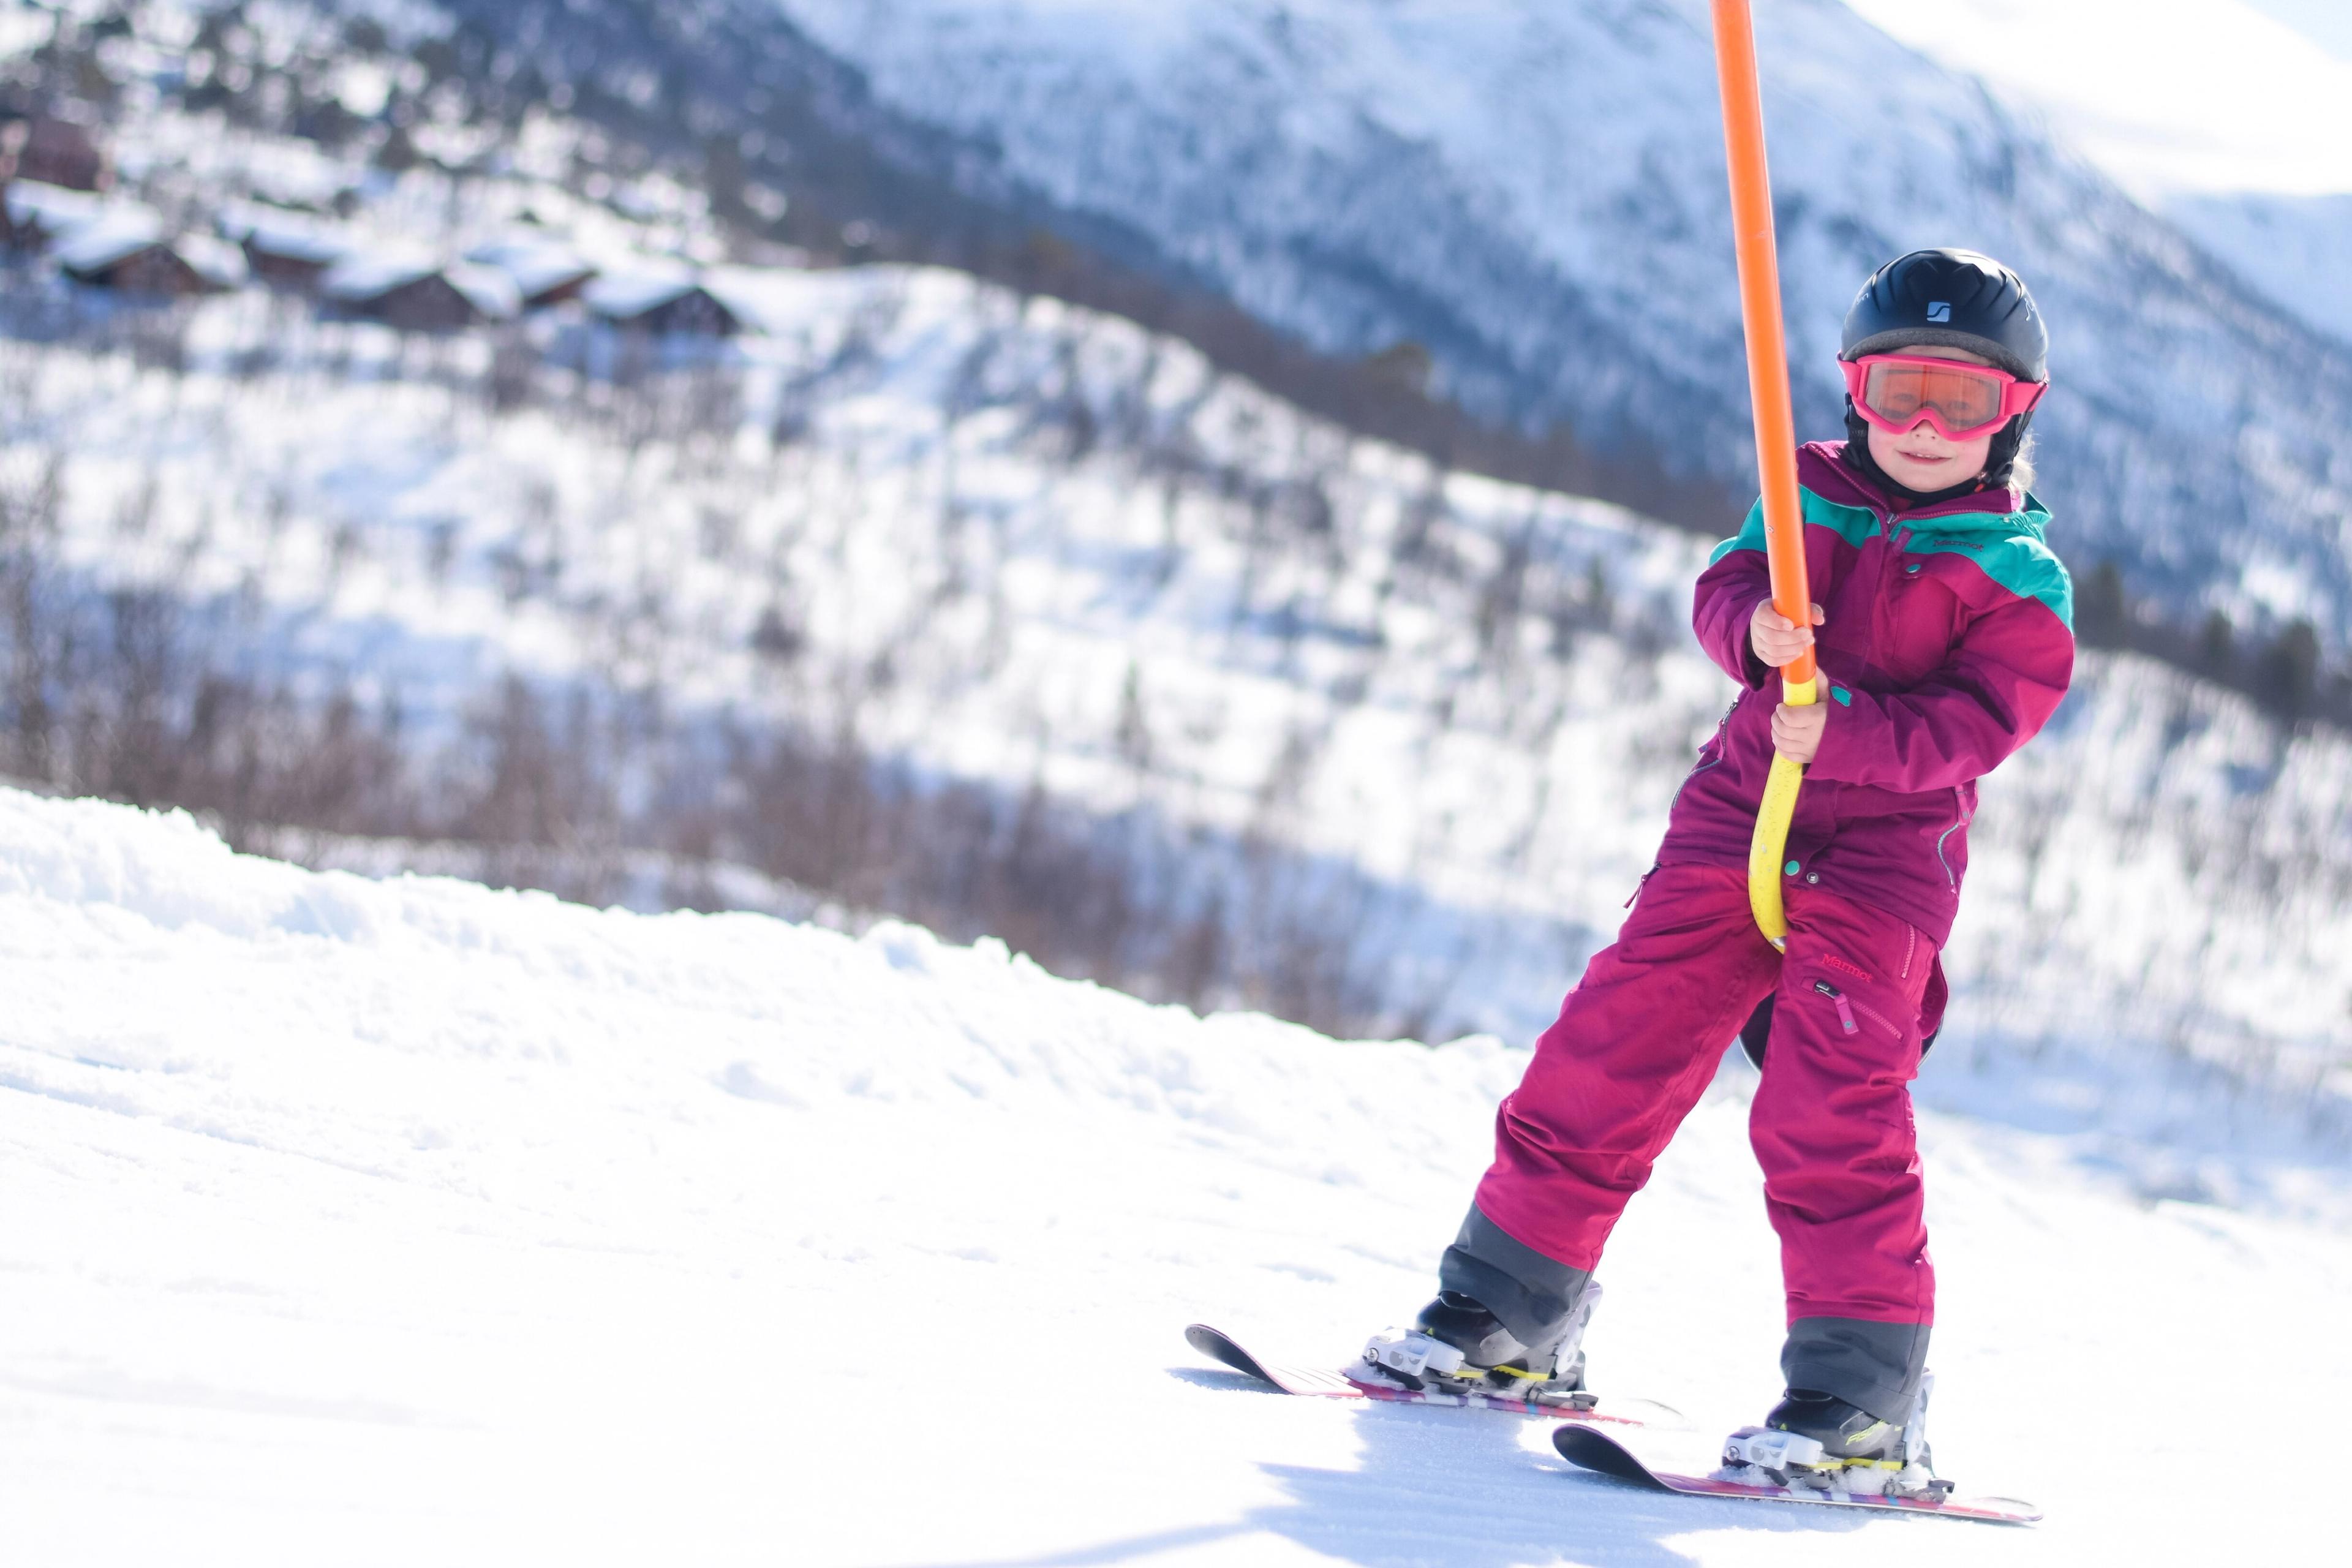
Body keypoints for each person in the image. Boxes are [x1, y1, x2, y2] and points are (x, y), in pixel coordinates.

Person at [1366, 249, 2073, 1482]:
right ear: (1854, 387)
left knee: (1828, 1105)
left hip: (1883, 855)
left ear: (2013, 417)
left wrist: (1847, 725)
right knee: (1613, 1039)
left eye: (1962, 402)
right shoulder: (1799, 494)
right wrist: (1751, 628)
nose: (1922, 424)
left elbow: (1980, 727)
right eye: (1901, 386)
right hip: (1739, 811)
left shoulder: (2020, 575)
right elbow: (1725, 585)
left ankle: (1857, 1400)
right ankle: (1509, 1310)